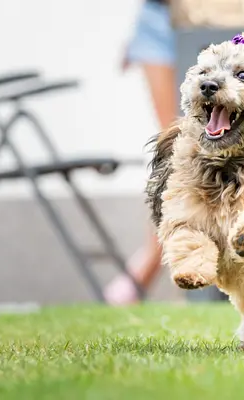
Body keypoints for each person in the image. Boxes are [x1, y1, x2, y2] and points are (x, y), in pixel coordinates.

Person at [103, 0, 176, 305]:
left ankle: (147, 267)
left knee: (199, 149)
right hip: (159, 19)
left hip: (222, 18)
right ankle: (151, 261)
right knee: (176, 147)